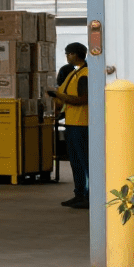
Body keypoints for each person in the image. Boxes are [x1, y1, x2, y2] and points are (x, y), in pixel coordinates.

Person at [50, 43, 90, 208]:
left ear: (76, 54)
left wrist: (59, 96)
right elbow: (64, 94)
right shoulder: (74, 73)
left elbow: (83, 99)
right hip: (72, 123)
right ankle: (79, 193)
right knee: (75, 161)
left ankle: (88, 196)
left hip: (82, 124)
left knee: (84, 162)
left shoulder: (85, 74)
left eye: (69, 53)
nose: (67, 56)